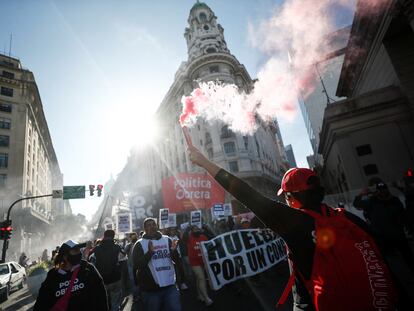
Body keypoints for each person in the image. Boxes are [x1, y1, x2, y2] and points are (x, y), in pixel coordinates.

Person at [187, 143, 396, 311]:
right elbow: (380, 253)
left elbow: (246, 194)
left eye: (285, 198)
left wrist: (205, 162)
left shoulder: (295, 222)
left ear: (291, 198)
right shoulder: (345, 218)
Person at [33, 240, 109, 311]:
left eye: (79, 250)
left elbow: (101, 296)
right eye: (75, 251)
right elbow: (41, 303)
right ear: (65, 256)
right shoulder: (53, 276)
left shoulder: (88, 269)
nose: (79, 253)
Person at [132, 218, 182, 311]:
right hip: (151, 290)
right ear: (145, 228)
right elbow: (137, 265)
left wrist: (174, 251)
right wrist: (149, 253)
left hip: (170, 286)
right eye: (149, 225)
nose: (152, 227)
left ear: (157, 226)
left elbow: (176, 260)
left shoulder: (167, 240)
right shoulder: (139, 244)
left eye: (153, 224)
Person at [94, 230, 123, 311]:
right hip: (115, 279)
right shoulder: (117, 247)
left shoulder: (96, 249)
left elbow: (92, 264)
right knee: (115, 303)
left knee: (104, 303)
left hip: (102, 280)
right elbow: (123, 260)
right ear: (113, 236)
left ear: (104, 236)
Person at [187, 225, 213, 306]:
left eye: (197, 229)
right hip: (194, 262)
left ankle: (200, 295)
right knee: (201, 277)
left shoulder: (203, 237)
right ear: (191, 231)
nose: (196, 230)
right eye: (194, 229)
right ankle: (206, 298)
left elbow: (209, 245)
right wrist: (188, 227)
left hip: (203, 261)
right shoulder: (188, 238)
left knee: (199, 279)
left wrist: (206, 228)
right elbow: (184, 236)